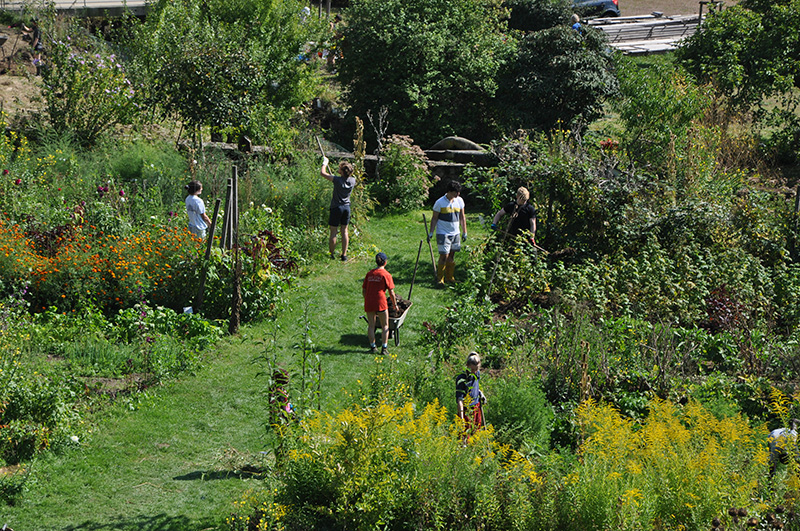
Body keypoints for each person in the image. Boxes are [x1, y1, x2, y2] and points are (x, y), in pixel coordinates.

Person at [428, 180, 467, 285]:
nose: (458, 194)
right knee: (444, 255)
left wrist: (464, 231)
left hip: (455, 233)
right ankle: (440, 278)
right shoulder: (439, 202)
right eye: (456, 192)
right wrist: (431, 232)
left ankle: (450, 277)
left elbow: (462, 217)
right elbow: (434, 218)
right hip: (443, 232)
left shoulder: (459, 201)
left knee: (451, 256)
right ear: (449, 191)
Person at [362, 252, 399, 355]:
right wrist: (395, 305)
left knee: (371, 325)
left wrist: (367, 299)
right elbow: (391, 292)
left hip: (369, 301)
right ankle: (384, 348)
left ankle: (373, 347)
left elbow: (364, 290)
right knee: (385, 325)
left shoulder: (370, 274)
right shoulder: (386, 275)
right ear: (385, 262)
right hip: (381, 302)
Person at [321, 156, 356, 261]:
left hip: (336, 208)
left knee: (333, 231)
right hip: (346, 208)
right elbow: (342, 179)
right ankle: (344, 255)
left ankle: (331, 254)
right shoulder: (353, 180)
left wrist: (325, 163)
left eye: (339, 168)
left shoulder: (337, 180)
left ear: (342, 171)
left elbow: (323, 173)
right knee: (344, 231)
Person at [455, 352, 485, 442]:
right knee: (465, 434)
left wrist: (480, 393)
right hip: (466, 409)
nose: (474, 372)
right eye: (472, 369)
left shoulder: (477, 374)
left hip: (476, 406)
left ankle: (474, 448)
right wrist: (462, 418)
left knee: (476, 432)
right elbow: (460, 400)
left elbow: (475, 385)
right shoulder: (461, 379)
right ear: (467, 365)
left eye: (476, 369)